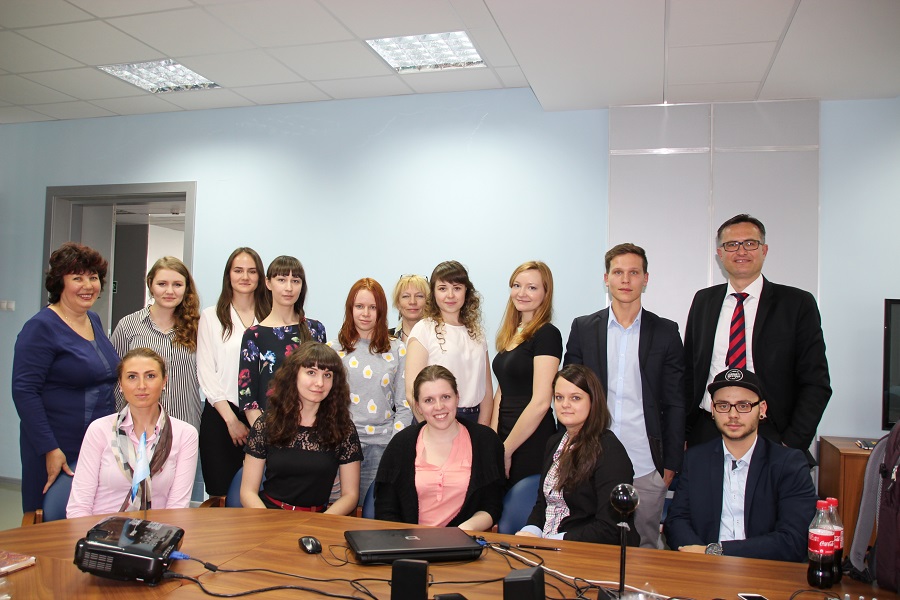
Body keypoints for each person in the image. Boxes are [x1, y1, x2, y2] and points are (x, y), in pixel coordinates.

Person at [563, 244, 686, 548]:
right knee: (591, 544)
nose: (626, 279)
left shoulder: (666, 332)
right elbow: (568, 393)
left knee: (644, 547)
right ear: (606, 278)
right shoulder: (583, 328)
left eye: (634, 272)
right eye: (618, 272)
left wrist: (670, 464)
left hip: (646, 462)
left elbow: (675, 402)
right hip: (591, 458)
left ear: (646, 278)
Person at [683, 214, 831, 464]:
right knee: (704, 503)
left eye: (750, 243)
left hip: (770, 433)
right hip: (707, 430)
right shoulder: (703, 301)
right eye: (732, 244)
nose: (741, 251)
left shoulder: (796, 304)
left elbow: (816, 382)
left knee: (765, 504)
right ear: (720, 253)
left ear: (764, 250)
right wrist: (684, 433)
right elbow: (688, 373)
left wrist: (791, 442)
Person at [664, 368, 818, 561]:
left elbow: (794, 540)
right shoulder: (695, 460)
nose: (733, 414)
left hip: (766, 572)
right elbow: (676, 521)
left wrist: (714, 551)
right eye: (723, 405)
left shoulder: (788, 464)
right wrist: (702, 559)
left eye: (743, 406)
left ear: (761, 409)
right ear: (713, 410)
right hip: (705, 570)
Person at [12, 242, 120, 513]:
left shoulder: (93, 319)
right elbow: (25, 391)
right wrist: (49, 448)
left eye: (93, 278)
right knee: (52, 524)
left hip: (97, 443)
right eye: (77, 278)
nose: (88, 285)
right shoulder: (40, 327)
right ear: (59, 283)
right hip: (58, 446)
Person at [66, 348, 199, 517]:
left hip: (157, 535)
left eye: (150, 376)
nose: (141, 386)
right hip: (101, 535)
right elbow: (79, 506)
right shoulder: (99, 430)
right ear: (120, 385)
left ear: (164, 381)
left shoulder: (185, 434)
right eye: (132, 377)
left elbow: (177, 507)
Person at [517, 364, 639, 545]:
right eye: (559, 397)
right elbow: (543, 504)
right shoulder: (555, 443)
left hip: (586, 550)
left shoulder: (609, 450)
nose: (565, 405)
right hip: (549, 545)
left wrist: (553, 540)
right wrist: (530, 532)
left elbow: (610, 527)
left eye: (575, 398)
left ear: (593, 401)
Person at [375, 365, 505, 530]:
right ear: (418, 406)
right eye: (428, 400)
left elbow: (492, 505)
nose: (439, 406)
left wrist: (459, 534)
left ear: (457, 398)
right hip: (408, 546)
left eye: (445, 397)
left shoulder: (486, 442)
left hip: (463, 543)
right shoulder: (400, 444)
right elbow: (385, 510)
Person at [241, 342, 362, 515]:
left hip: (319, 520)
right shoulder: (267, 422)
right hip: (269, 515)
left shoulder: (343, 428)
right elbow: (247, 492)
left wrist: (321, 523)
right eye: (311, 373)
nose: (320, 383)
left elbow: (350, 496)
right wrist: (266, 521)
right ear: (294, 375)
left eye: (327, 375)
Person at [328, 278, 411, 504]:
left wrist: (394, 447)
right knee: (339, 513)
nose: (366, 313)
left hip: (381, 447)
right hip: (341, 446)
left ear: (381, 311)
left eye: (373, 307)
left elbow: (404, 406)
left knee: (372, 515)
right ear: (350, 309)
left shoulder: (397, 349)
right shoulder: (334, 350)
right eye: (359, 306)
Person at [197, 247, 271, 496]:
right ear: (228, 275)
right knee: (221, 494)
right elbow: (207, 372)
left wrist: (260, 422)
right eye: (238, 270)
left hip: (265, 418)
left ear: (261, 277)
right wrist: (231, 420)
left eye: (252, 271)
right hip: (221, 417)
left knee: (263, 495)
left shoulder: (271, 317)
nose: (245, 276)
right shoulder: (211, 317)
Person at [110, 256, 202, 429]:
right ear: (151, 285)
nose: (170, 291)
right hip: (135, 427)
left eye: (177, 285)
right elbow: (115, 377)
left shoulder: (199, 327)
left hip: (184, 425)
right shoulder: (128, 325)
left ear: (186, 288)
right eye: (162, 284)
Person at [491, 261, 561, 485]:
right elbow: (502, 390)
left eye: (532, 287)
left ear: (545, 293)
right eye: (516, 285)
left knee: (524, 508)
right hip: (505, 434)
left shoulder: (547, 334)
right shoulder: (509, 334)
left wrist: (507, 449)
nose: (522, 293)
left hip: (531, 437)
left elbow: (541, 402)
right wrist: (494, 441)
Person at [238, 256, 326, 426]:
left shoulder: (316, 329)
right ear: (268, 283)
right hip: (271, 429)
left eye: (295, 281)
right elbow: (247, 397)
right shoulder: (254, 335)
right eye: (281, 280)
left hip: (312, 428)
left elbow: (324, 384)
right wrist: (262, 436)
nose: (288, 288)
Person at [406, 261, 492, 425]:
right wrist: (432, 430)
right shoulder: (423, 329)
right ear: (433, 293)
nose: (450, 295)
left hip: (474, 418)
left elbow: (487, 391)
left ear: (466, 292)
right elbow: (412, 392)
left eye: (457, 288)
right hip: (435, 418)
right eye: (443, 288)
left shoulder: (477, 334)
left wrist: (482, 431)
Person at [389, 274, 429, 343]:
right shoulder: (384, 339)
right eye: (406, 296)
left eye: (419, 296)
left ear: (428, 302)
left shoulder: (439, 338)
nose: (412, 302)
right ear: (398, 303)